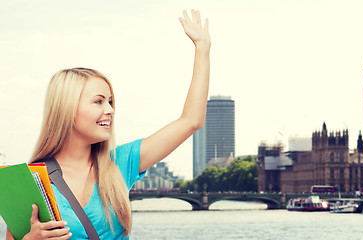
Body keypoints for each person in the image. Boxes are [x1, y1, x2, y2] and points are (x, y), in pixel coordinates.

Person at [5, 9, 210, 240]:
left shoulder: (120, 164)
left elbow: (191, 121)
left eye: (111, 101)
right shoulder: (29, 180)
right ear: (67, 109)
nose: (110, 110)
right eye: (99, 101)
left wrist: (202, 48)